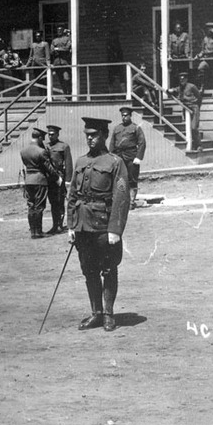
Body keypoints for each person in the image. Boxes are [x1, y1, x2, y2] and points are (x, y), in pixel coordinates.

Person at [67, 117, 131, 332]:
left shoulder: (115, 162)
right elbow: (73, 196)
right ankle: (96, 313)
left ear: (104, 135)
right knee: (89, 271)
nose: (90, 139)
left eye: (94, 135)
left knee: (108, 269)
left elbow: (121, 198)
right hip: (83, 227)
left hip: (104, 227)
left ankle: (108, 314)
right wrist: (71, 225)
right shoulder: (80, 162)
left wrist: (115, 229)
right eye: (87, 135)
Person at [19, 128, 60, 239]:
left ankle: (33, 232)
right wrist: (57, 178)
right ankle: (38, 232)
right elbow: (49, 167)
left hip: (28, 180)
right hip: (40, 180)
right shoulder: (41, 151)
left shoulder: (23, 151)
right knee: (39, 206)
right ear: (40, 138)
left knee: (31, 206)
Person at [109, 106, 148, 209]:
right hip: (119, 157)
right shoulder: (117, 128)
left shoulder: (136, 128)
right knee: (119, 179)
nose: (124, 117)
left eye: (126, 115)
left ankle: (131, 202)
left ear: (130, 116)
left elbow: (142, 143)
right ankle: (122, 201)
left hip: (131, 156)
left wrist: (138, 157)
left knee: (132, 179)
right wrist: (111, 156)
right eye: (122, 115)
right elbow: (112, 143)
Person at [44, 124, 73, 234]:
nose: (50, 136)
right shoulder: (46, 146)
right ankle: (54, 225)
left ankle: (60, 225)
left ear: (57, 134)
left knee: (60, 201)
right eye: (49, 134)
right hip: (50, 179)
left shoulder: (63, 146)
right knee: (52, 202)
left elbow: (68, 163)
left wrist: (67, 180)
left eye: (52, 134)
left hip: (60, 177)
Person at [171, 71, 204, 151]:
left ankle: (199, 145)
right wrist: (169, 90)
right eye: (180, 79)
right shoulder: (180, 88)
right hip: (185, 109)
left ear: (186, 79)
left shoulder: (192, 86)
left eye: (183, 79)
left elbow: (199, 97)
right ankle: (193, 144)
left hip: (194, 108)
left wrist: (196, 107)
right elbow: (174, 90)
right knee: (188, 128)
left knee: (193, 127)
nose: (182, 81)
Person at [51, 26, 73, 96]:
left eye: (61, 30)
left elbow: (67, 48)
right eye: (58, 30)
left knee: (67, 78)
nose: (59, 32)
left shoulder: (67, 39)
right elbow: (51, 51)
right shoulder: (54, 40)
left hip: (65, 62)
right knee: (61, 80)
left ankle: (69, 93)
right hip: (57, 63)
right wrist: (57, 50)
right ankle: (65, 94)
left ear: (63, 31)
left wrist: (57, 49)